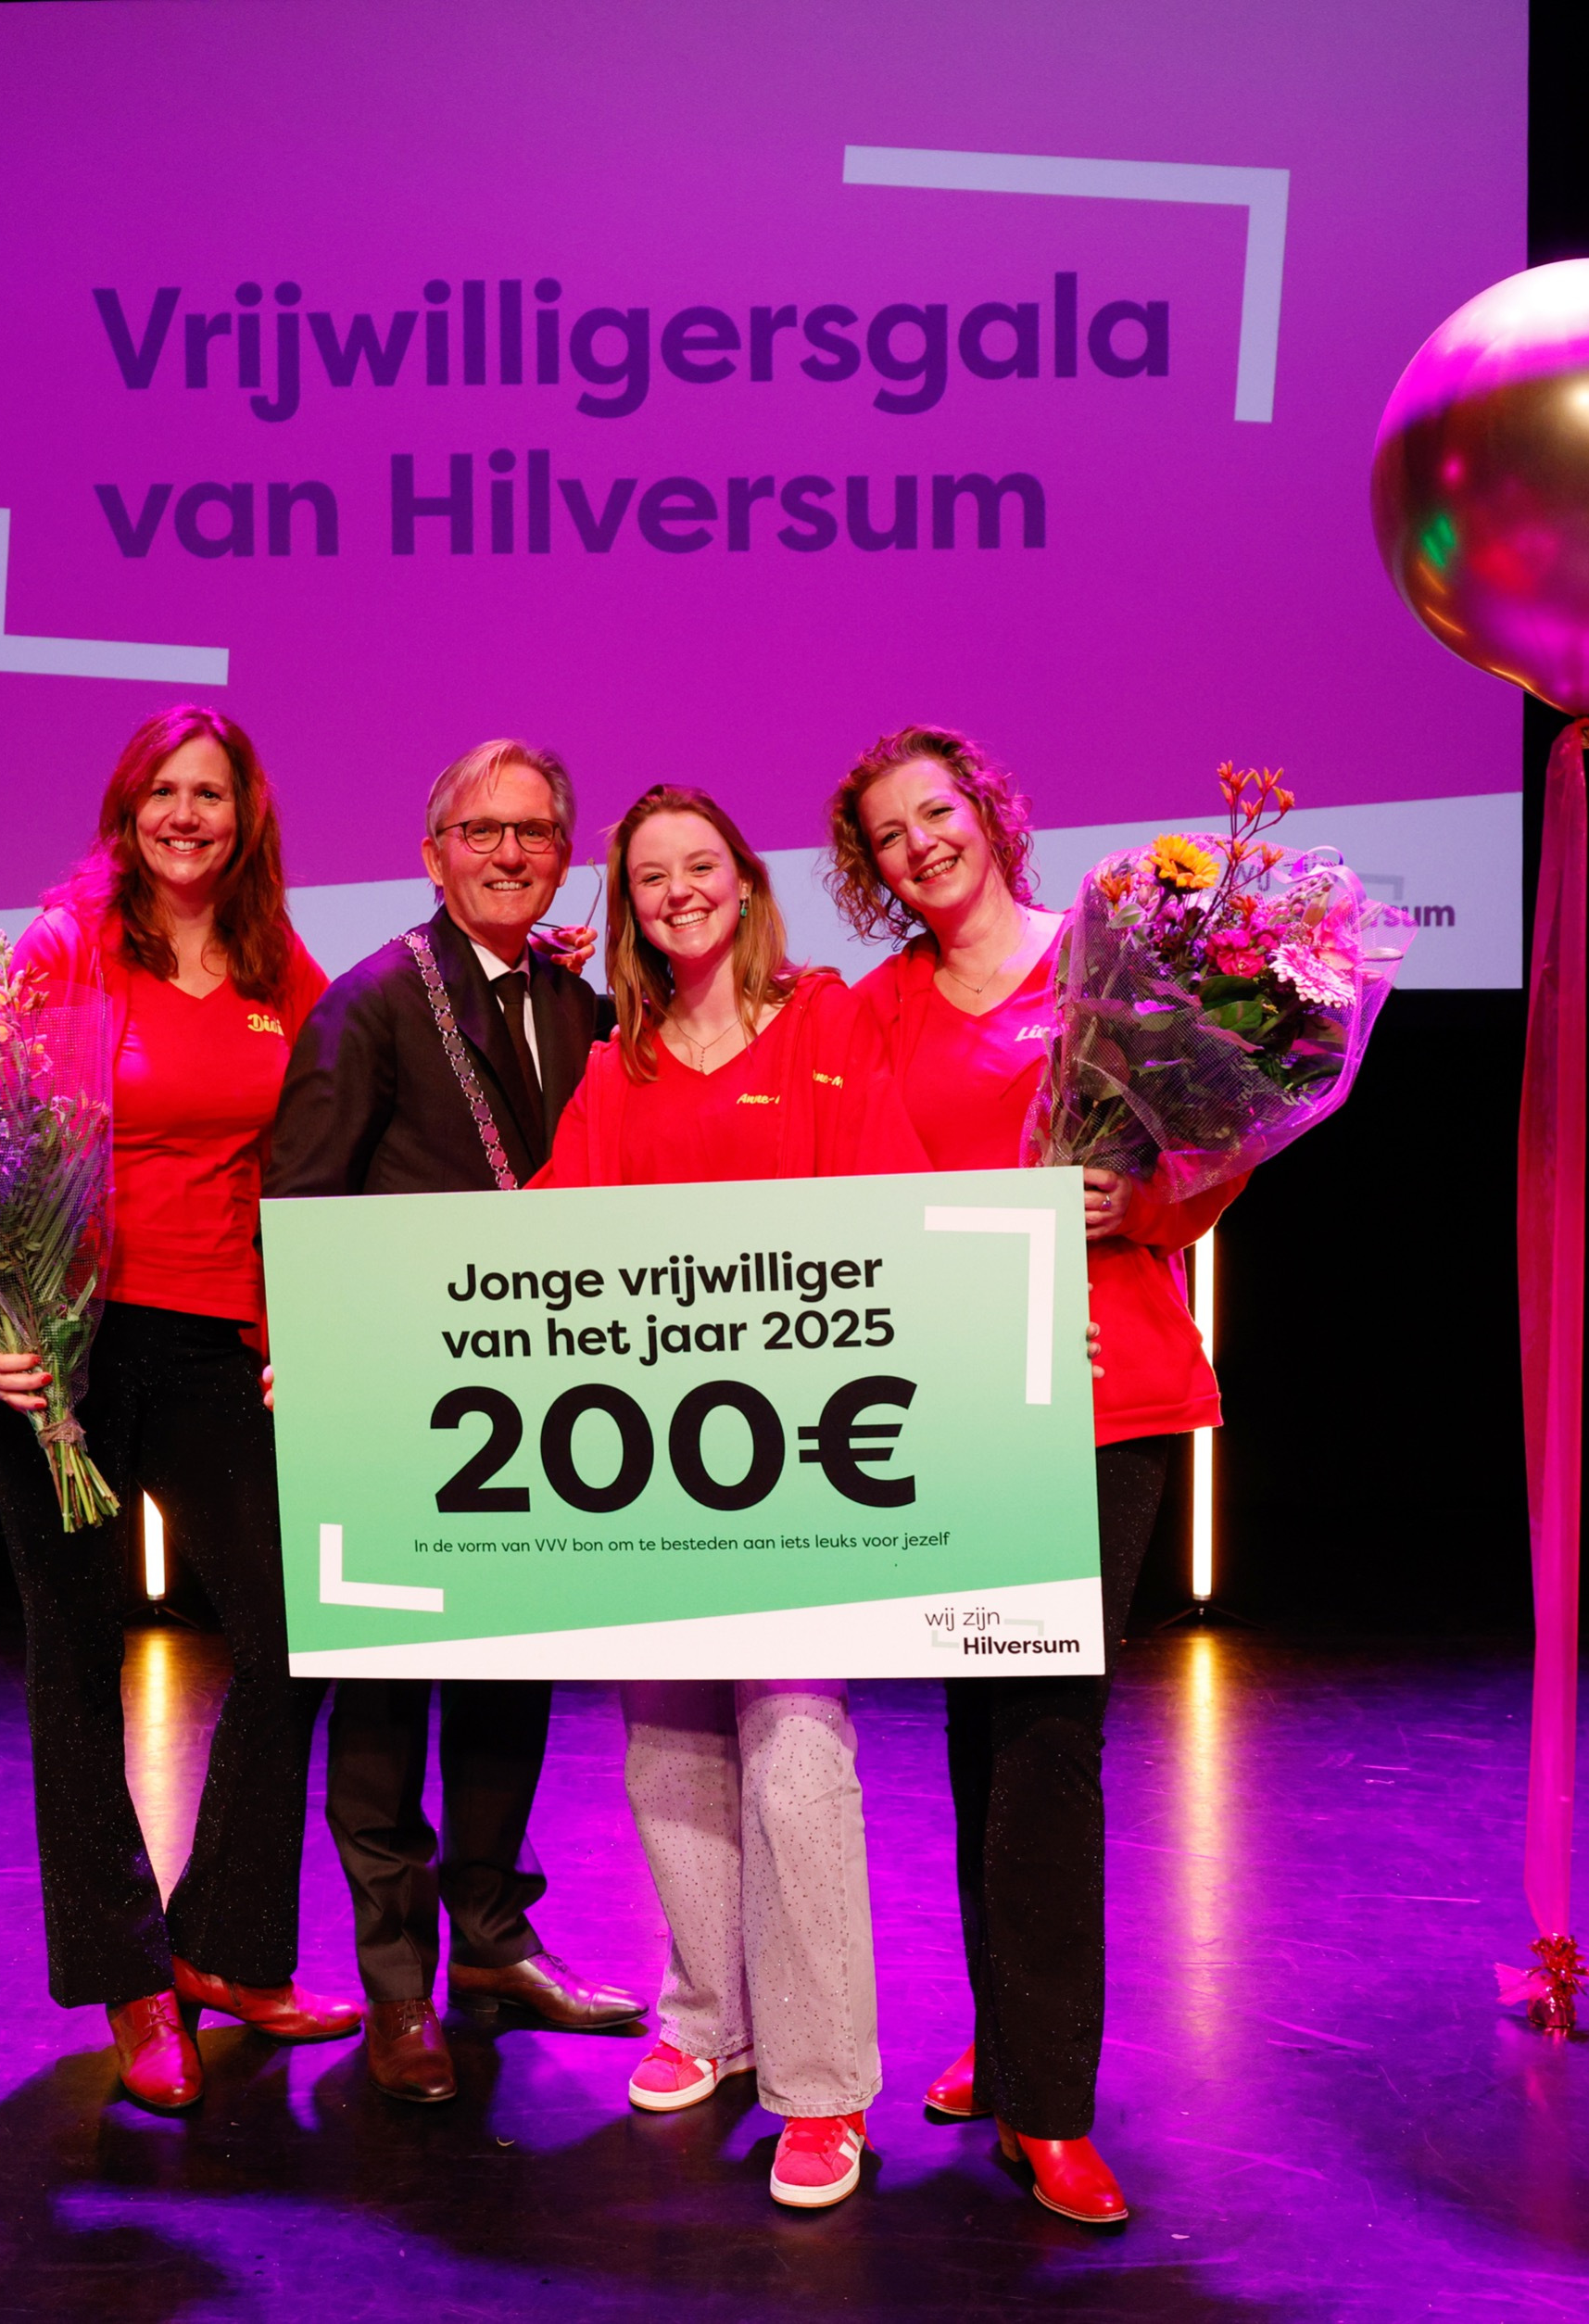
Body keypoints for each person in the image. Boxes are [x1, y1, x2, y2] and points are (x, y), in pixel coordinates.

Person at [828, 723, 1242, 2227]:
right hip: (952, 1398)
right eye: (887, 834)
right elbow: (854, 1191)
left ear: (988, 813)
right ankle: (1006, 2035)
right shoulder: (875, 1009)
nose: (918, 845)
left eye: (934, 812)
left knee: (1049, 1735)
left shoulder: (1110, 964)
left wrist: (1147, 1196)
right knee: (981, 1731)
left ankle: (1049, 2102)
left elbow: (1209, 1155)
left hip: (1103, 1393)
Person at [529, 784, 930, 2210]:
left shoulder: (824, 1024)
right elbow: (540, 1240)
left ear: (746, 883)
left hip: (800, 1462)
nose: (678, 892)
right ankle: (709, 2014)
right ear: (629, 908)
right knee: (666, 1745)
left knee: (795, 1749)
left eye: (700, 866)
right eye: (650, 877)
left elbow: (895, 1204)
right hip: (653, 1468)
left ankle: (822, 2086)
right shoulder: (615, 1063)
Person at [0, 705, 362, 2115]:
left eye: (213, 794)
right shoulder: (66, 947)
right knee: (75, 1658)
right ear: (128, 811)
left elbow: (333, 1139)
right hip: (64, 1347)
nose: (188, 815)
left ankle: (224, 1946)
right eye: (165, 792)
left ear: (247, 818)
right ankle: (130, 1981)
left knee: (296, 1631)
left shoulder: (279, 965)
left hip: (219, 1341)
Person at [267, 739, 645, 2105]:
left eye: (534, 831)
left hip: (528, 1414)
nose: (509, 853)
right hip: (393, 1412)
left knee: (505, 1692)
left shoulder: (581, 1004)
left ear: (565, 854)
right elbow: (302, 1201)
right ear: (433, 855)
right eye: (481, 831)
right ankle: (398, 1990)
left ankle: (492, 1940)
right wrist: (316, 1357)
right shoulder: (370, 1001)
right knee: (381, 1708)